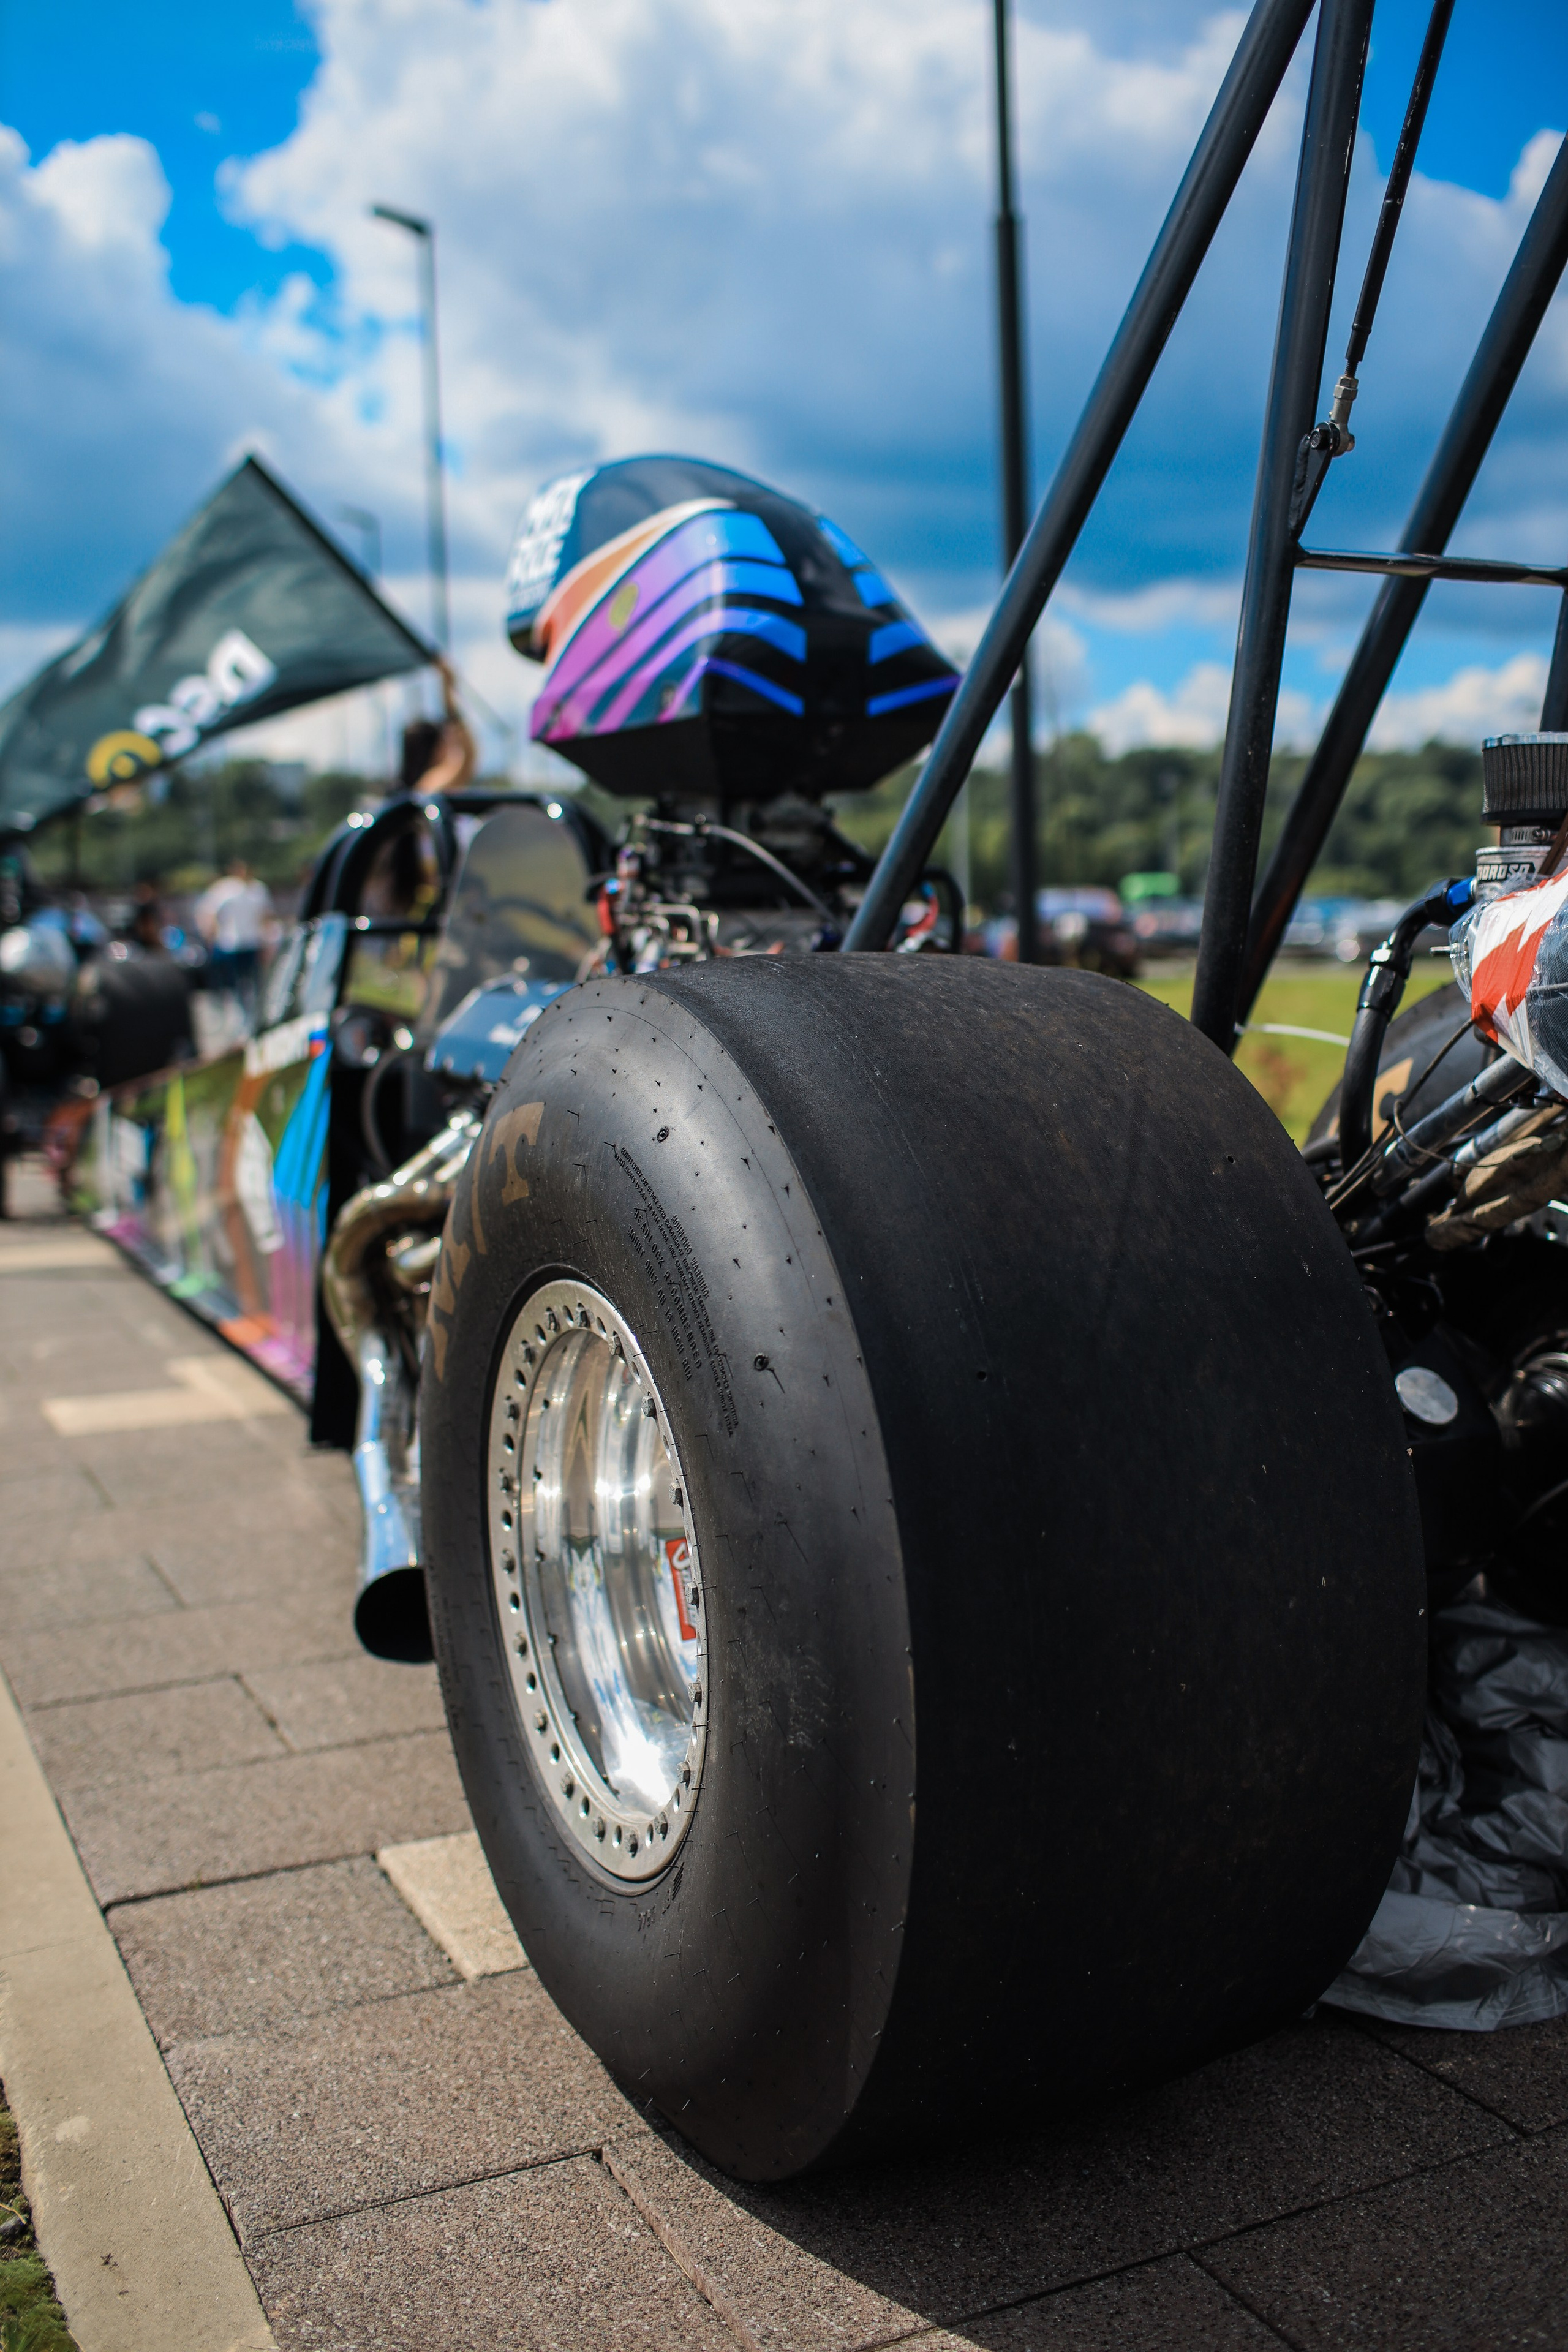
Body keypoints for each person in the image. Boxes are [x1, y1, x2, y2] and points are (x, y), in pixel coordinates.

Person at [196, 858, 273, 1023]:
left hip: (253, 942)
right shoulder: (224, 889)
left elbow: (265, 916)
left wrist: (267, 940)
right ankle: (241, 1018)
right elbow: (209, 912)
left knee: (256, 982)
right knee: (236, 983)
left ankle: (257, 1016)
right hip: (231, 944)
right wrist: (212, 936)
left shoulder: (258, 889)